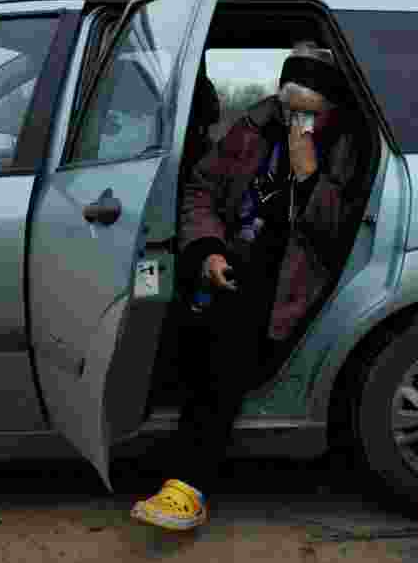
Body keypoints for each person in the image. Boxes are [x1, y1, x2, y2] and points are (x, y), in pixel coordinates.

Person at [131, 40, 362, 530]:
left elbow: (335, 233)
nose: (298, 120)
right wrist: (208, 248)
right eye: (290, 107)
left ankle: (188, 484)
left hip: (292, 278)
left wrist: (310, 177)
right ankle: (165, 461)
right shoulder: (254, 128)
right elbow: (200, 189)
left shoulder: (347, 146)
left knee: (226, 348)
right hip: (232, 256)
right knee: (174, 330)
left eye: (308, 113)